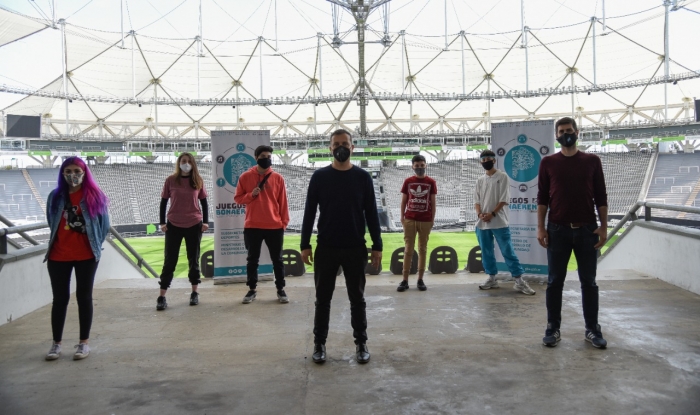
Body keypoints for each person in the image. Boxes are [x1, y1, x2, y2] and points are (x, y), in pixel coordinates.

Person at [301, 129, 382, 365]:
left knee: (357, 298)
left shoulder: (363, 177)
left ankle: (361, 343)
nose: (340, 147)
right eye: (336, 144)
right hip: (326, 246)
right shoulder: (319, 177)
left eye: (344, 143)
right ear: (330, 148)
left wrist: (377, 245)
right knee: (322, 299)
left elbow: (372, 215)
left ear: (352, 147)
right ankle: (319, 343)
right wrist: (305, 244)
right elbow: (309, 213)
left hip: (356, 246)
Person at [537, 117, 608, 349]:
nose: (566, 134)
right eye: (562, 131)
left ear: (577, 132)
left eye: (569, 130)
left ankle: (592, 329)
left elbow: (601, 196)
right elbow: (542, 198)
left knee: (589, 282)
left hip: (587, 229)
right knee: (555, 282)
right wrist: (540, 227)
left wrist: (604, 226)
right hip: (557, 230)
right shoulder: (548, 163)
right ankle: (552, 328)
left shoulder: (592, 161)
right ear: (556, 136)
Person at [44, 156, 110, 361]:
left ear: (84, 173)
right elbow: (51, 221)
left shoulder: (95, 196)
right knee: (60, 299)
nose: (73, 175)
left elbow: (104, 224)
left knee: (84, 297)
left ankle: (84, 343)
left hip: (87, 255)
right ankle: (56, 343)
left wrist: (94, 246)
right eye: (68, 171)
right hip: (58, 256)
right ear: (62, 174)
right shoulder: (55, 197)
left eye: (77, 171)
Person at [234, 145, 290, 304]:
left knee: (277, 260)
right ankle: (251, 289)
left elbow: (283, 203)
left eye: (269, 156)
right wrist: (251, 195)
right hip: (252, 226)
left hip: (274, 226)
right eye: (264, 156)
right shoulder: (245, 177)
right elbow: (238, 199)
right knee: (252, 260)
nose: (267, 159)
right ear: (256, 157)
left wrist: (283, 223)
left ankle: (280, 289)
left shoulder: (278, 178)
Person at [474, 149, 535, 295]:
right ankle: (492, 278)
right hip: (482, 223)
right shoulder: (480, 180)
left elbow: (504, 199)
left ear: (494, 160)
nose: (485, 162)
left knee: (508, 251)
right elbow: (476, 200)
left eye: (488, 159)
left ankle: (519, 281)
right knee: (486, 252)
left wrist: (492, 213)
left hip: (499, 221)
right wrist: (480, 214)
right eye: (483, 160)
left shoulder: (503, 176)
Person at [156, 152, 209, 310]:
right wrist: (162, 223)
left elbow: (204, 202)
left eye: (188, 161)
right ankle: (162, 296)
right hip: (174, 224)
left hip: (194, 224)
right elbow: (163, 202)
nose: (186, 163)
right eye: (183, 161)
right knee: (170, 261)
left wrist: (205, 221)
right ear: (179, 163)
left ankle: (194, 292)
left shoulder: (197, 180)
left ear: (193, 164)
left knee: (193, 259)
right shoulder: (170, 180)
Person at [398, 154, 436, 292]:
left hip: (425, 219)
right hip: (410, 219)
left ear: (426, 165)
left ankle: (420, 279)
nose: (419, 168)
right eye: (417, 166)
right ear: (412, 166)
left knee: (423, 249)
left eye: (422, 165)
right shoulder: (408, 181)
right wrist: (402, 218)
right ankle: (405, 280)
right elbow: (404, 200)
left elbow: (432, 202)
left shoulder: (431, 182)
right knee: (408, 249)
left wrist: (432, 219)